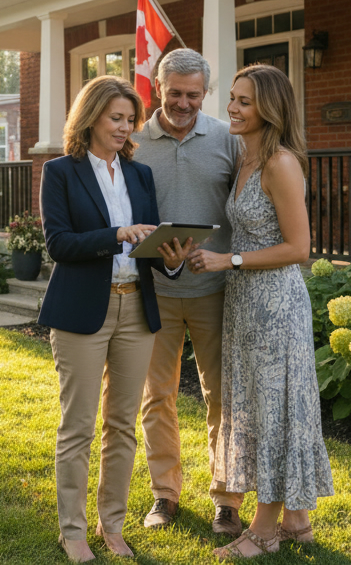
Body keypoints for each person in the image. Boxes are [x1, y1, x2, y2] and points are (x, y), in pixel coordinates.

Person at [39, 75, 191, 563]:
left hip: (136, 307)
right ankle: (73, 532)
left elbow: (149, 246)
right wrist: (117, 232)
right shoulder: (61, 171)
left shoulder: (140, 174)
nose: (126, 127)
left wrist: (171, 256)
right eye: (116, 118)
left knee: (122, 425)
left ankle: (113, 525)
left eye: (130, 119)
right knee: (78, 426)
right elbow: (59, 244)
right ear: (91, 118)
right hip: (83, 309)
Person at [186, 64, 334, 558]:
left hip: (276, 303)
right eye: (231, 98)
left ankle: (264, 530)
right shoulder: (247, 159)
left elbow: (299, 247)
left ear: (269, 107)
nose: (231, 107)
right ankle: (298, 522)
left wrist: (228, 259)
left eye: (244, 101)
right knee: (257, 405)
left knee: (271, 409)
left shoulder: (280, 164)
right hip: (244, 301)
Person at [127, 49, 244, 535]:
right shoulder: (133, 142)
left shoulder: (225, 138)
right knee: (158, 396)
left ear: (205, 93)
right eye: (175, 92)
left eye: (193, 94)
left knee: (224, 396)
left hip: (216, 288)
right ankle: (165, 494)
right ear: (159, 87)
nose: (183, 102)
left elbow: (248, 203)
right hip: (152, 289)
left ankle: (227, 499)